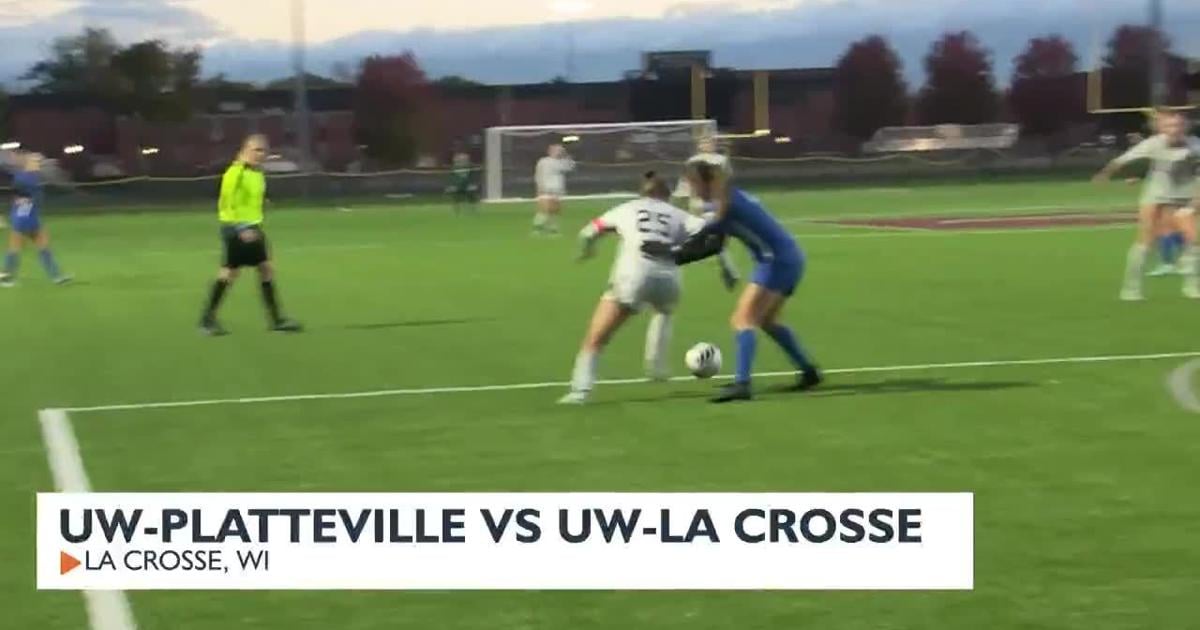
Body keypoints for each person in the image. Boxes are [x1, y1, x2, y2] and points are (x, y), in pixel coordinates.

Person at [559, 172, 720, 404]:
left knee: (596, 337)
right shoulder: (677, 213)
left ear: (642, 192)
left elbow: (588, 232)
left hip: (634, 277)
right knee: (664, 310)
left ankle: (579, 390)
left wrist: (587, 252)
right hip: (669, 280)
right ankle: (656, 366)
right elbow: (712, 234)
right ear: (667, 194)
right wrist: (725, 267)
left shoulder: (627, 208)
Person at [676, 158, 821, 403]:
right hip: (787, 257)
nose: (691, 189)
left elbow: (707, 238)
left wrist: (672, 256)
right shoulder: (730, 195)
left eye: (693, 183)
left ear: (705, 182)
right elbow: (715, 243)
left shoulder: (726, 202)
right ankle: (809, 372)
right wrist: (679, 256)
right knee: (767, 320)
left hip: (775, 261)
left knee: (743, 319)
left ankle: (742, 384)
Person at [199, 134, 302, 335]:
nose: (260, 154)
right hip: (238, 228)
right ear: (245, 150)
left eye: (263, 151)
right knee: (238, 272)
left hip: (252, 227)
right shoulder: (235, 172)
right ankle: (208, 321)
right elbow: (227, 203)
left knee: (255, 270)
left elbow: (251, 198)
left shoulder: (257, 173)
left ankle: (209, 320)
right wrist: (240, 229)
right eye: (256, 150)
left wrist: (264, 203)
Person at [1093, 109, 1200, 300]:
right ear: (1161, 127)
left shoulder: (1195, 144)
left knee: (1194, 240)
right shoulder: (1153, 143)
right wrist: (1105, 173)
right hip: (1156, 196)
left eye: (1178, 125)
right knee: (1146, 241)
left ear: (1185, 126)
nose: (1175, 129)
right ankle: (1131, 289)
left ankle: (1191, 287)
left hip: (1184, 198)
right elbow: (1122, 160)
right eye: (1170, 125)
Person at [0, 150, 71, 287]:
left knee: (43, 246)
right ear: (27, 164)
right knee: (15, 247)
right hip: (23, 216)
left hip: (31, 215)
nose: (37, 164)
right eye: (34, 162)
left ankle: (57, 276)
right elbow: (23, 195)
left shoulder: (28, 176)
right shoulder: (26, 177)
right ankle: (5, 276)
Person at [532, 143, 574, 236]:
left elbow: (570, 167)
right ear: (550, 151)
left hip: (557, 189)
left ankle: (552, 229)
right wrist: (539, 187)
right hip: (546, 188)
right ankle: (537, 228)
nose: (558, 152)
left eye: (560, 150)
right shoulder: (543, 161)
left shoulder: (562, 162)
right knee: (545, 210)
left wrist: (566, 156)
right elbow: (538, 174)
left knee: (554, 211)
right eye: (557, 150)